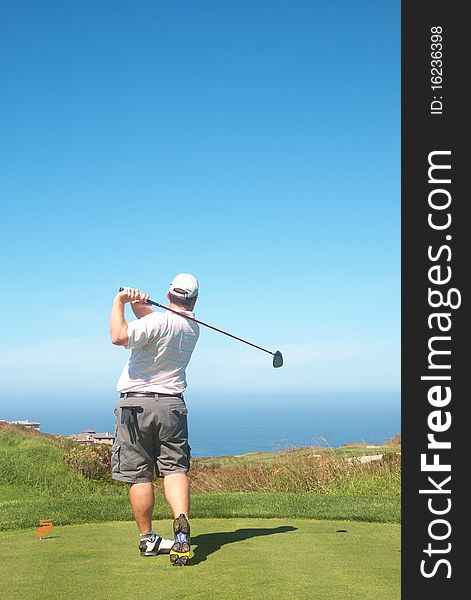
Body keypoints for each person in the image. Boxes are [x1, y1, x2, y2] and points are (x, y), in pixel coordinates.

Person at [109, 273, 200, 566]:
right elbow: (155, 324)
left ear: (169, 294)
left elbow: (118, 336)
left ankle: (148, 539)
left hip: (135, 405)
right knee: (174, 468)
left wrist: (120, 301)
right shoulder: (192, 328)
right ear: (194, 300)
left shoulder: (156, 322)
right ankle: (182, 527)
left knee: (139, 474)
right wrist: (141, 304)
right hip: (172, 405)